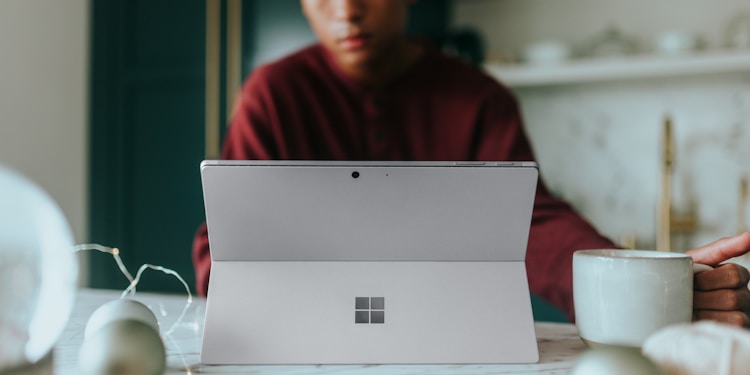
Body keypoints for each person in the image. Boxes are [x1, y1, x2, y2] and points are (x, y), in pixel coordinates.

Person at [192, 0, 750, 327]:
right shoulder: (273, 94)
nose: (346, 11)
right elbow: (227, 247)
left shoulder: (477, 98)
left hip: (447, 337)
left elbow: (531, 224)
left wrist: (636, 283)